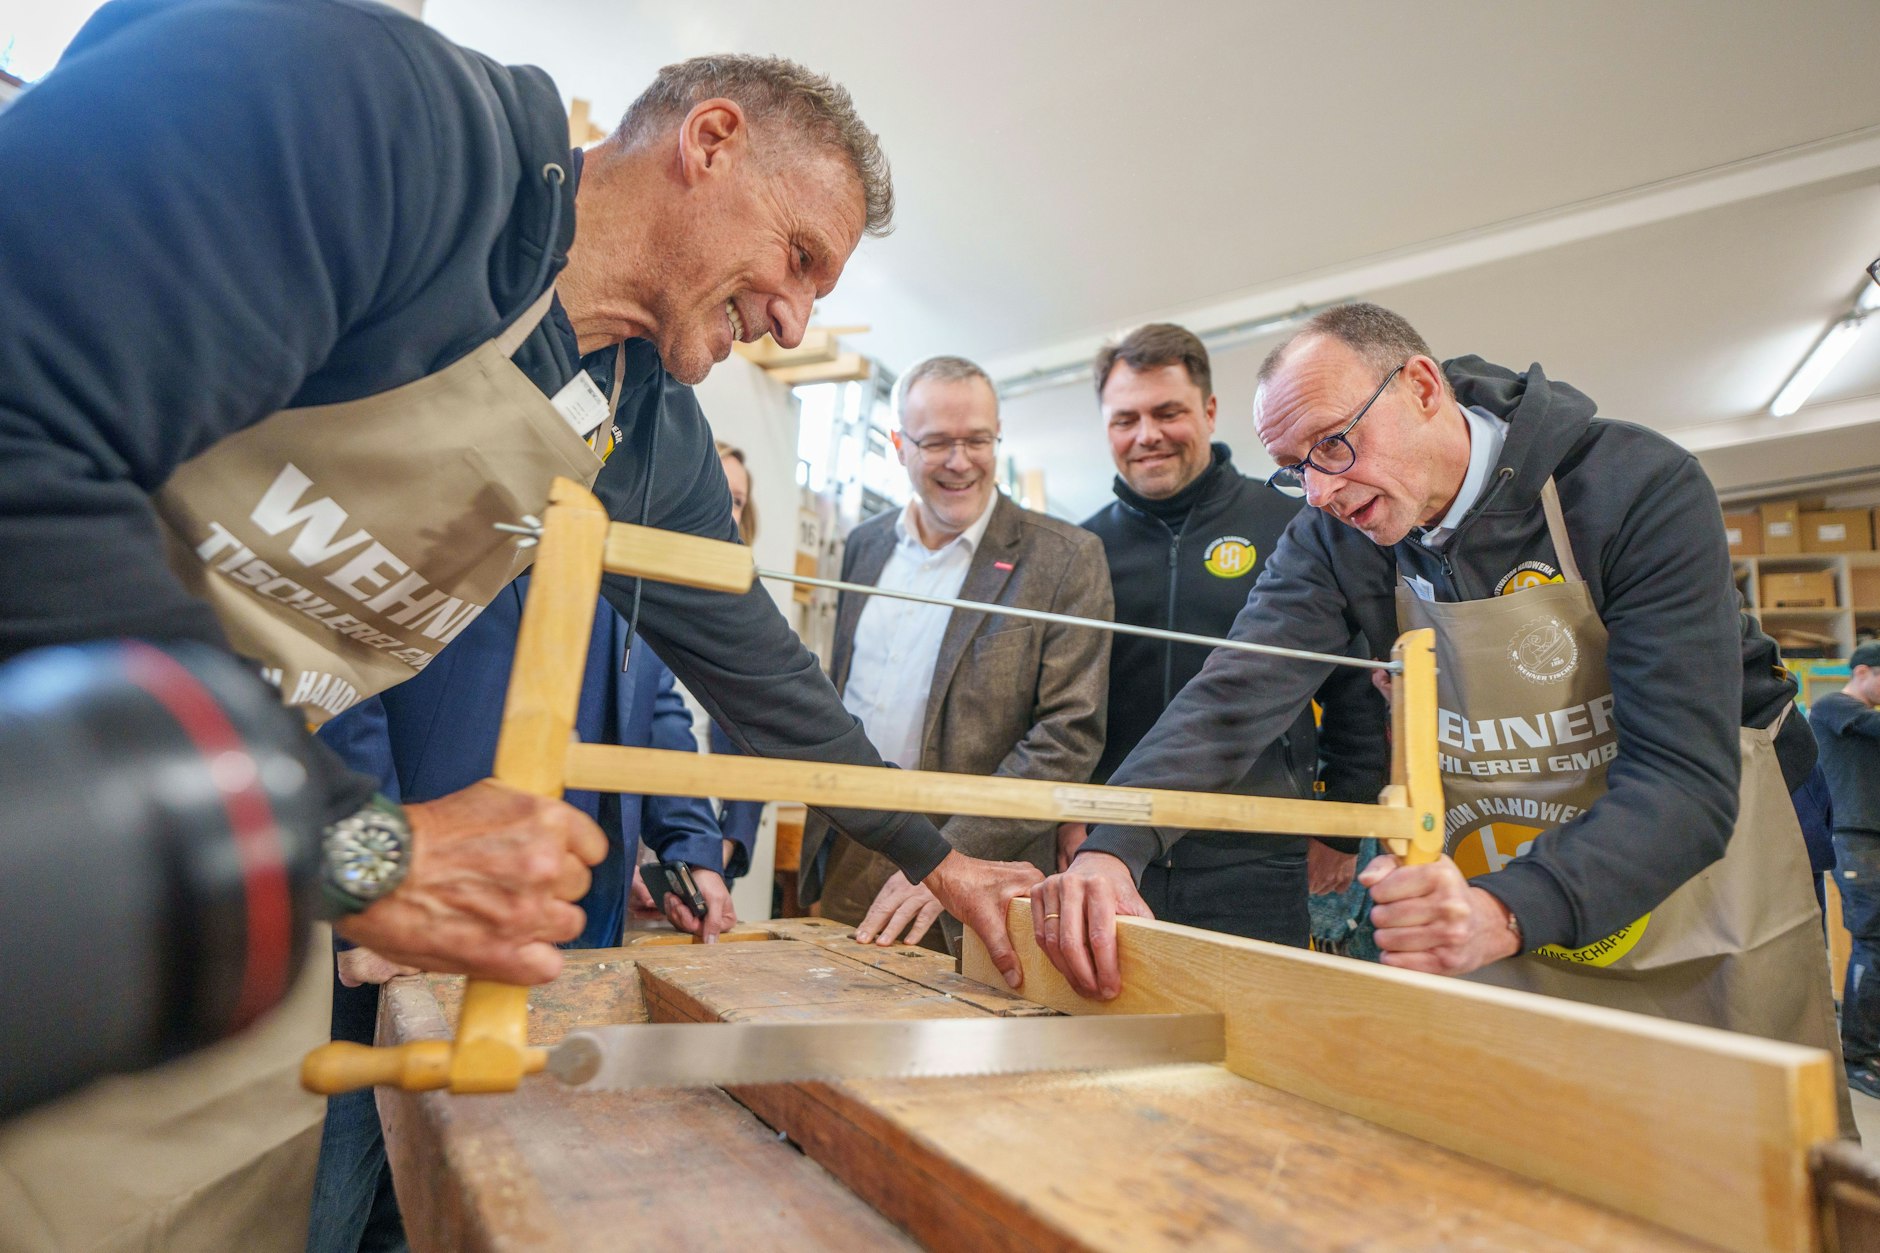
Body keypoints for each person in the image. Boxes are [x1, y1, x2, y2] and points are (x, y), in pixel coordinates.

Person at [0, 0, 1040, 1003]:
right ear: (711, 140)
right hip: (54, 800)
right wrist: (354, 845)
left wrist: (940, 859)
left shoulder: (644, 428)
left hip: (233, 876)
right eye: (799, 257)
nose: (790, 317)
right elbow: (23, 438)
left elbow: (761, 670)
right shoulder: (376, 115)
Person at [1030, 303, 1842, 1092]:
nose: (1316, 491)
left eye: (1334, 445)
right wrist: (1115, 842)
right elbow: (1238, 686)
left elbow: (1684, 781)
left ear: (1422, 387)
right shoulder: (1335, 531)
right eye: (1294, 467)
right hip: (1509, 834)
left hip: (1708, 838)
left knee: (1739, 1116)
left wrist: (1501, 912)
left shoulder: (1634, 486)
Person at [1066, 323, 1388, 946]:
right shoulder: (1080, 549)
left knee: (1258, 1037)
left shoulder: (1294, 522)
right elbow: (1063, 706)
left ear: (1210, 411)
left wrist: (1343, 824)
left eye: (1167, 412)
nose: (1147, 435)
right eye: (1124, 419)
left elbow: (1353, 683)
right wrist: (1078, 818)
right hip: (1111, 845)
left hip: (1258, 852)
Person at [798, 356, 1112, 950]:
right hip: (852, 849)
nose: (960, 461)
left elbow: (1068, 737)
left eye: (977, 440)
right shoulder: (865, 546)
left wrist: (946, 857)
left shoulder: (1065, 557)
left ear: (998, 438)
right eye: (938, 442)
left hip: (983, 870)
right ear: (898, 444)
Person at [1813, 642, 1880, 1097]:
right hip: (1854, 839)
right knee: (1872, 943)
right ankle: (1859, 1056)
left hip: (1868, 838)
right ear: (1862, 671)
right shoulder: (1833, 707)